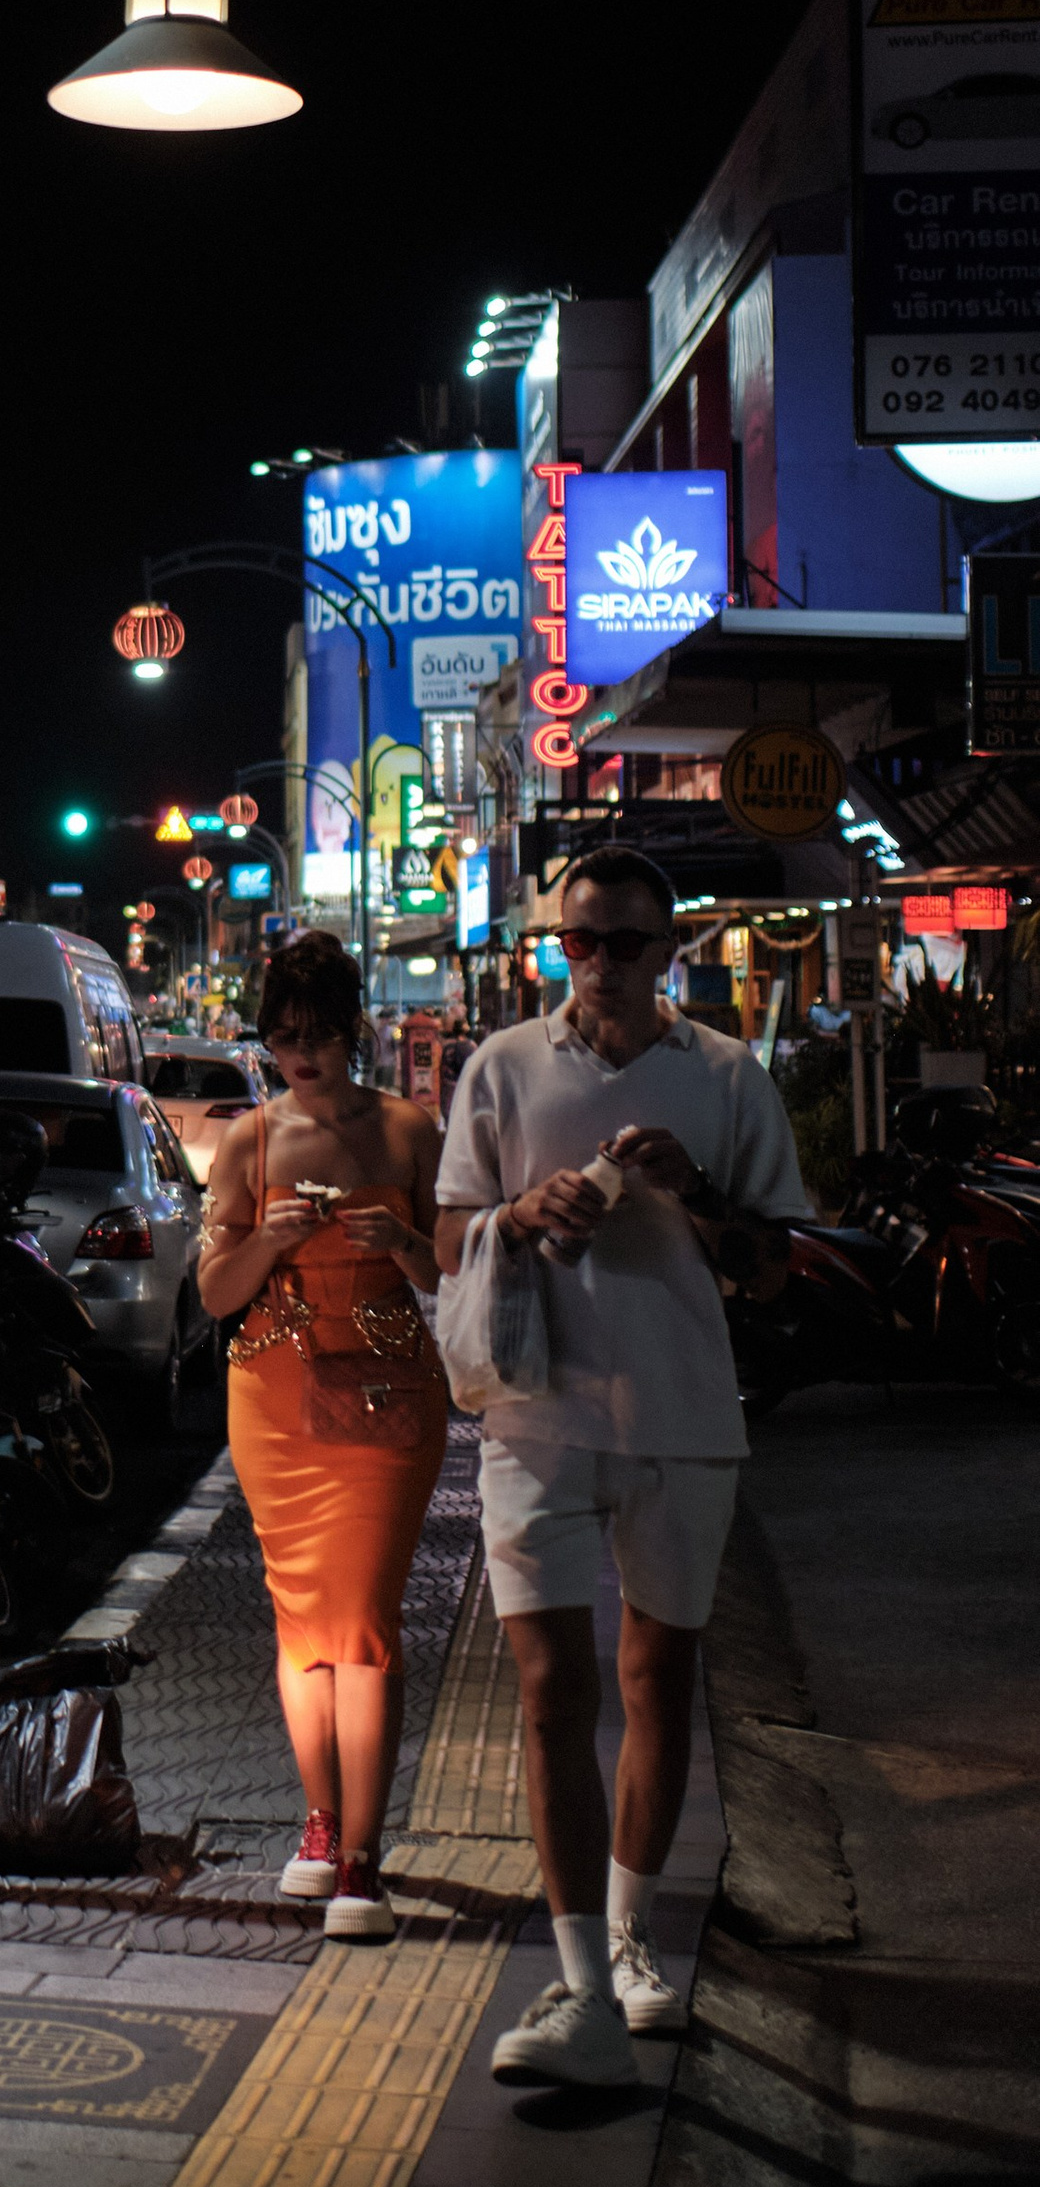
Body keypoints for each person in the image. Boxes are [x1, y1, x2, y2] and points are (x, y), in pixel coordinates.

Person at [434, 845, 806, 2089]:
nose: (598, 964)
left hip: (684, 1416)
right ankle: (582, 1977)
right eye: (578, 942)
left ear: (669, 951)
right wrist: (520, 1215)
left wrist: (690, 1192)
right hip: (537, 1414)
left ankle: (635, 1937)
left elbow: (769, 1266)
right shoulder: (502, 1066)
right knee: (551, 1692)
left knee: (656, 1676)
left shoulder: (725, 1076)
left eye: (626, 943)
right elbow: (446, 1234)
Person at [196, 931, 448, 1939]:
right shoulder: (250, 1141)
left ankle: (361, 1858)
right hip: (274, 1390)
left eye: (319, 1036)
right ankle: (319, 1822)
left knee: (364, 1625)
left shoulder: (407, 1132)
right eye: (283, 1037)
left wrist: (407, 1243)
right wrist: (268, 1237)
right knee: (301, 1624)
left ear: (354, 1032)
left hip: (386, 1386)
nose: (302, 1056)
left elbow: (449, 1273)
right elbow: (214, 1292)